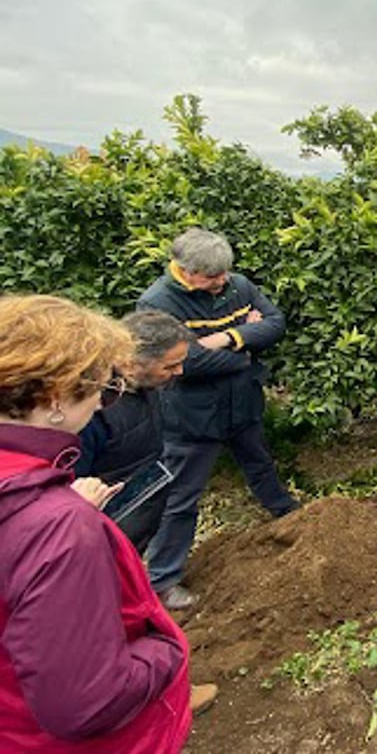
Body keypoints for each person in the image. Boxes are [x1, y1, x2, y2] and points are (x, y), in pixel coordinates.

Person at [0, 294, 195, 750]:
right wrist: (166, 649)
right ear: (53, 399)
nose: (106, 402)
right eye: (102, 390)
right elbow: (83, 701)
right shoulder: (58, 528)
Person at [140, 228, 299, 610]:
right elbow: (186, 363)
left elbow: (275, 323)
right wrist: (244, 349)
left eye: (224, 273)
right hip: (192, 417)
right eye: (212, 277)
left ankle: (288, 516)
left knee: (259, 463)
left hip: (240, 404)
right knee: (181, 497)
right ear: (186, 271)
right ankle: (162, 578)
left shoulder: (237, 285)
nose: (222, 281)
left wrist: (227, 338)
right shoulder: (157, 304)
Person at [76, 310, 191, 553]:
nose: (180, 371)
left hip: (140, 512)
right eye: (170, 366)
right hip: (104, 535)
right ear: (130, 364)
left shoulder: (146, 383)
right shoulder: (88, 414)